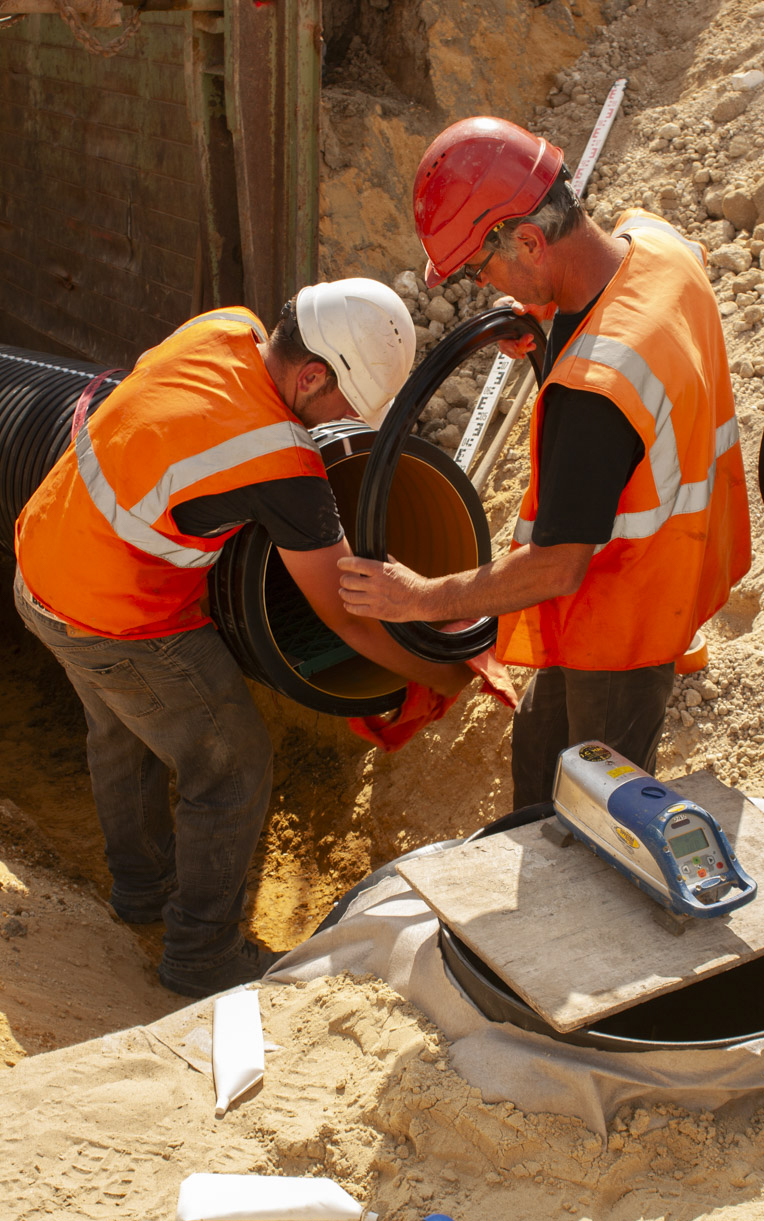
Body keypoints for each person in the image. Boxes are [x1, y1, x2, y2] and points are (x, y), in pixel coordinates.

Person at [14, 279, 472, 998]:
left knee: (122, 728)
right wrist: (440, 675)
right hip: (118, 618)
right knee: (231, 762)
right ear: (313, 374)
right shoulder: (282, 468)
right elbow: (345, 616)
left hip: (42, 567)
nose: (345, 422)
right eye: (343, 406)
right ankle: (201, 954)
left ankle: (140, 892)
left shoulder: (222, 328)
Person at [338, 118, 751, 809]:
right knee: (538, 762)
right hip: (646, 571)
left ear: (529, 239)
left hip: (627, 619)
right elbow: (628, 308)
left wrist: (417, 597)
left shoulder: (591, 396)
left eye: (479, 266)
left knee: (597, 811)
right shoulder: (656, 244)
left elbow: (555, 566)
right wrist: (542, 306)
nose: (477, 284)